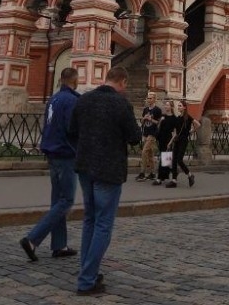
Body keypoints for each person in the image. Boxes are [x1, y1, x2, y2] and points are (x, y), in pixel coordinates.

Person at [66, 65, 141, 296]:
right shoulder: (121, 104)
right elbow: (135, 137)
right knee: (102, 224)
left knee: (90, 219)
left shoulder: (84, 99)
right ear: (123, 82)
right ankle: (87, 280)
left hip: (84, 167)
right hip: (108, 171)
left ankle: (88, 271)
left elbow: (71, 131)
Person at [20, 67, 81, 263]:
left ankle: (59, 245)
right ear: (75, 80)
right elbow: (73, 128)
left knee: (58, 201)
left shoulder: (53, 99)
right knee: (66, 200)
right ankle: (32, 239)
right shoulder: (72, 100)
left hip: (52, 152)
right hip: (66, 154)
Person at [165, 100, 200, 188]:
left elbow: (198, 124)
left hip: (184, 141)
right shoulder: (178, 118)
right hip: (177, 141)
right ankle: (174, 181)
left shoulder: (188, 117)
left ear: (184, 107)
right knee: (173, 160)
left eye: (180, 106)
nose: (179, 107)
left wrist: (191, 131)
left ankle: (190, 175)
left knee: (179, 160)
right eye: (178, 106)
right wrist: (170, 142)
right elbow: (176, 133)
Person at [136, 91, 162, 182]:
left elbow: (159, 123)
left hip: (153, 133)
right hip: (146, 133)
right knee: (150, 154)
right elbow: (142, 122)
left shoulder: (157, 110)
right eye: (148, 98)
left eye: (151, 98)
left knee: (144, 152)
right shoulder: (146, 109)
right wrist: (144, 118)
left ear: (154, 99)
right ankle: (153, 173)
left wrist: (151, 119)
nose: (149, 99)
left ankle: (142, 173)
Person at [154, 100, 177, 186]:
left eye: (167, 105)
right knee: (165, 158)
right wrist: (160, 121)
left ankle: (160, 178)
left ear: (171, 107)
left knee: (164, 158)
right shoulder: (163, 116)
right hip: (161, 139)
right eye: (165, 105)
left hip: (168, 139)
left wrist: (170, 142)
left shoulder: (174, 118)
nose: (166, 107)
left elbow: (175, 132)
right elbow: (158, 127)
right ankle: (164, 176)